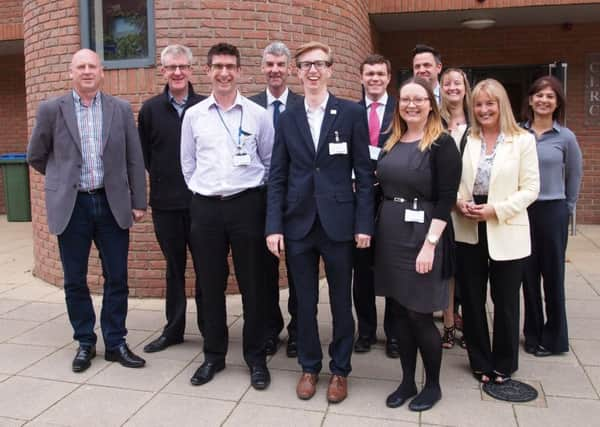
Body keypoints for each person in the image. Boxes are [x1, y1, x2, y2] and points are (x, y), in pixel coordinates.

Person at [266, 41, 374, 403]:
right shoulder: (288, 117)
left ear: (330, 69)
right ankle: (310, 367)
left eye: (320, 64)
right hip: (298, 224)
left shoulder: (351, 113)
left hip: (340, 223)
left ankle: (340, 370)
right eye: (306, 65)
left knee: (342, 301)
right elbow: (277, 174)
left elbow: (363, 171)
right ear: (298, 72)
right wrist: (274, 225)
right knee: (304, 301)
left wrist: (364, 224)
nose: (313, 71)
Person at [27, 49, 147, 372]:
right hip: (73, 205)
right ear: (71, 73)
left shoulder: (120, 109)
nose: (87, 71)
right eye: (80, 66)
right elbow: (36, 155)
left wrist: (139, 201)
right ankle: (85, 341)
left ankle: (116, 341)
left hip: (111, 203)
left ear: (102, 71)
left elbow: (134, 157)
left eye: (92, 66)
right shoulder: (52, 110)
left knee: (117, 277)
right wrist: (61, 180)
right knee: (75, 279)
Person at [181, 43, 273, 390]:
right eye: (218, 66)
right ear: (207, 71)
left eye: (230, 66)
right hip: (205, 208)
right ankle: (213, 356)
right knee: (210, 284)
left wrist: (245, 189)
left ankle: (255, 357)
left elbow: (268, 160)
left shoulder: (257, 115)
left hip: (246, 205)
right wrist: (203, 189)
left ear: (239, 71)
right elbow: (186, 162)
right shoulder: (194, 115)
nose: (224, 72)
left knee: (253, 284)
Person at [374, 77, 461, 411]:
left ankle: (433, 385)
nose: (411, 105)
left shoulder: (442, 143)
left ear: (430, 103)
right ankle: (407, 381)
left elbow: (445, 199)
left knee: (420, 314)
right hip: (392, 232)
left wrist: (430, 245)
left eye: (419, 99)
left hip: (426, 233)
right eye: (405, 99)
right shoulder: (392, 140)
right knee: (398, 312)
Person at [454, 79, 540, 385]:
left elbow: (531, 189)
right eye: (478, 104)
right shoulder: (467, 138)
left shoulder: (523, 140)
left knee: (505, 301)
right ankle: (479, 360)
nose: (484, 109)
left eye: (490, 103)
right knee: (473, 300)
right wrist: (459, 202)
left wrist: (496, 210)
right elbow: (454, 181)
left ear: (501, 105)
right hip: (468, 226)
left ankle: (504, 362)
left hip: (504, 224)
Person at [138, 44, 206, 353]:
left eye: (183, 66)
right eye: (171, 67)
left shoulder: (206, 107)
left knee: (208, 268)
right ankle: (174, 329)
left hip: (202, 205)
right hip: (166, 205)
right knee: (174, 269)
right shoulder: (150, 110)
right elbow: (145, 156)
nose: (177, 72)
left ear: (191, 70)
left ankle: (211, 328)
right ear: (162, 71)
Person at [521, 76, 583, 357]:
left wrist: (567, 209)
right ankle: (532, 334)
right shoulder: (519, 134)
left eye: (550, 96)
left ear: (557, 103)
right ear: (531, 100)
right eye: (539, 95)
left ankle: (555, 338)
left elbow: (574, 175)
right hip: (523, 211)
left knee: (553, 276)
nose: (544, 100)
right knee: (528, 277)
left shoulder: (565, 137)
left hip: (552, 210)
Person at [249, 41, 302, 357]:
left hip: (297, 201)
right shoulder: (249, 106)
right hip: (260, 200)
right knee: (264, 272)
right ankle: (270, 329)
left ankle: (298, 331)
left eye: (280, 64)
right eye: (269, 64)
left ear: (289, 68)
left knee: (298, 271)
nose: (275, 70)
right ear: (262, 67)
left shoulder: (301, 104)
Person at [353, 53, 399, 358]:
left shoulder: (401, 110)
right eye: (369, 74)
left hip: (393, 197)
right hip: (359, 198)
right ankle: (366, 331)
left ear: (388, 77)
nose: (374, 79)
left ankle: (394, 334)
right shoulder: (349, 111)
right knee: (362, 270)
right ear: (361, 77)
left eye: (380, 74)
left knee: (393, 268)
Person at [439, 68, 472, 349]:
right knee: (447, 271)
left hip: (470, 206)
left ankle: (471, 326)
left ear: (465, 87)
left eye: (457, 83)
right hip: (445, 206)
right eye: (446, 83)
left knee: (470, 271)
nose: (452, 87)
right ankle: (448, 325)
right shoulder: (434, 120)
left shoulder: (476, 121)